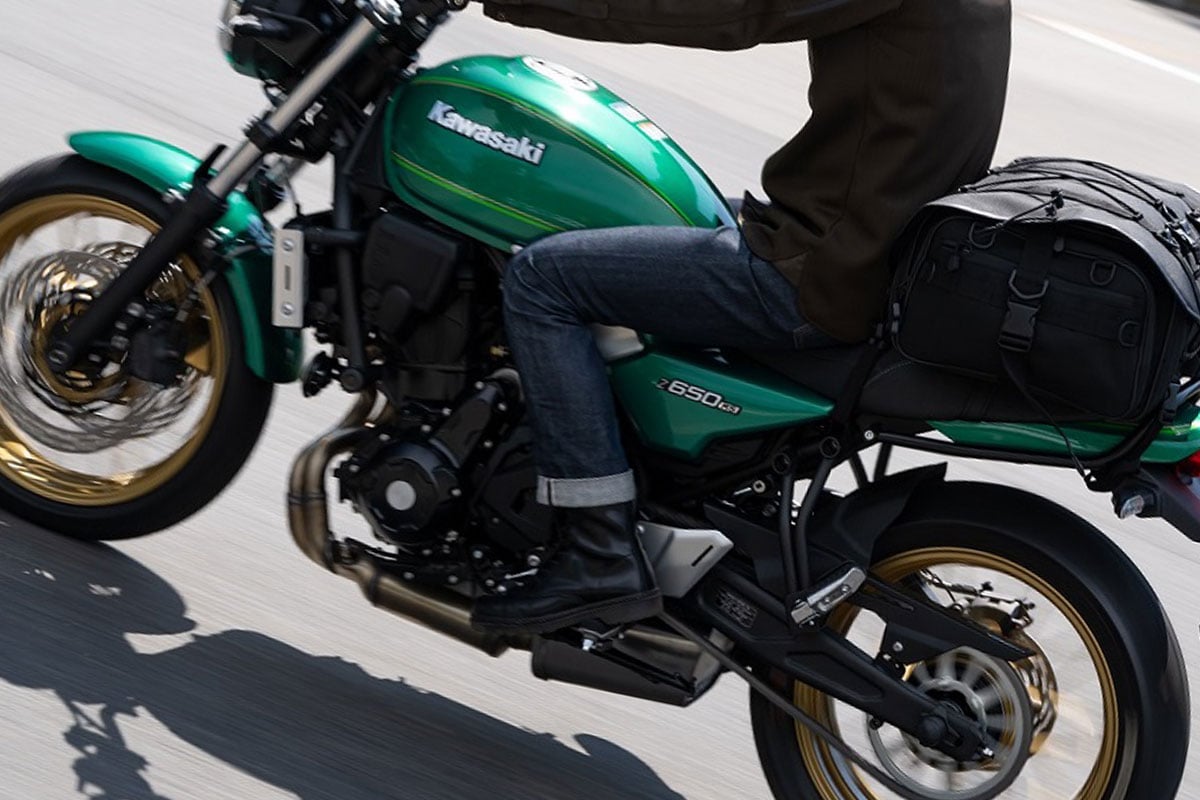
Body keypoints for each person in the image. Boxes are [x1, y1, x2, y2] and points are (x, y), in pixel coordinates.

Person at [471, 0, 1014, 633]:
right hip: (881, 251)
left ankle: (598, 551)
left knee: (543, 279)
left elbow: (732, 11)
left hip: (820, 271)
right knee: (628, 217)